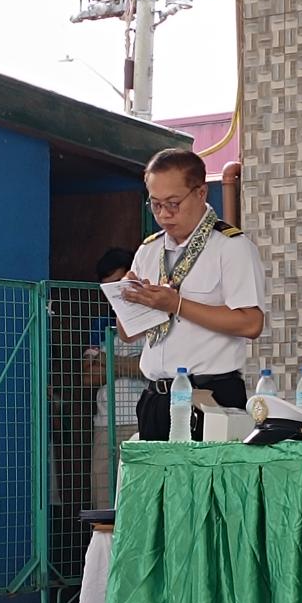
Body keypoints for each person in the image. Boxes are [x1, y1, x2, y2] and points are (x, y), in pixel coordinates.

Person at [122, 149, 267, 442]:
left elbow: (251, 323)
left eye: (173, 203)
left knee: (207, 473)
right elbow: (127, 334)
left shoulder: (230, 246)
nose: (164, 214)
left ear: (201, 193)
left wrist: (176, 304)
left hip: (209, 395)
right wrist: (128, 301)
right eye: (155, 204)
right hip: (155, 396)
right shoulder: (148, 250)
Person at [83, 249, 142, 505]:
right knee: (104, 501)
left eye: (118, 285)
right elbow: (88, 376)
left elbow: (150, 368)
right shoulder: (101, 324)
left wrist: (106, 361)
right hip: (104, 424)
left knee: (137, 498)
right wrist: (128, 364)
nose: (115, 295)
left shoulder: (152, 319)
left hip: (140, 421)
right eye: (108, 289)